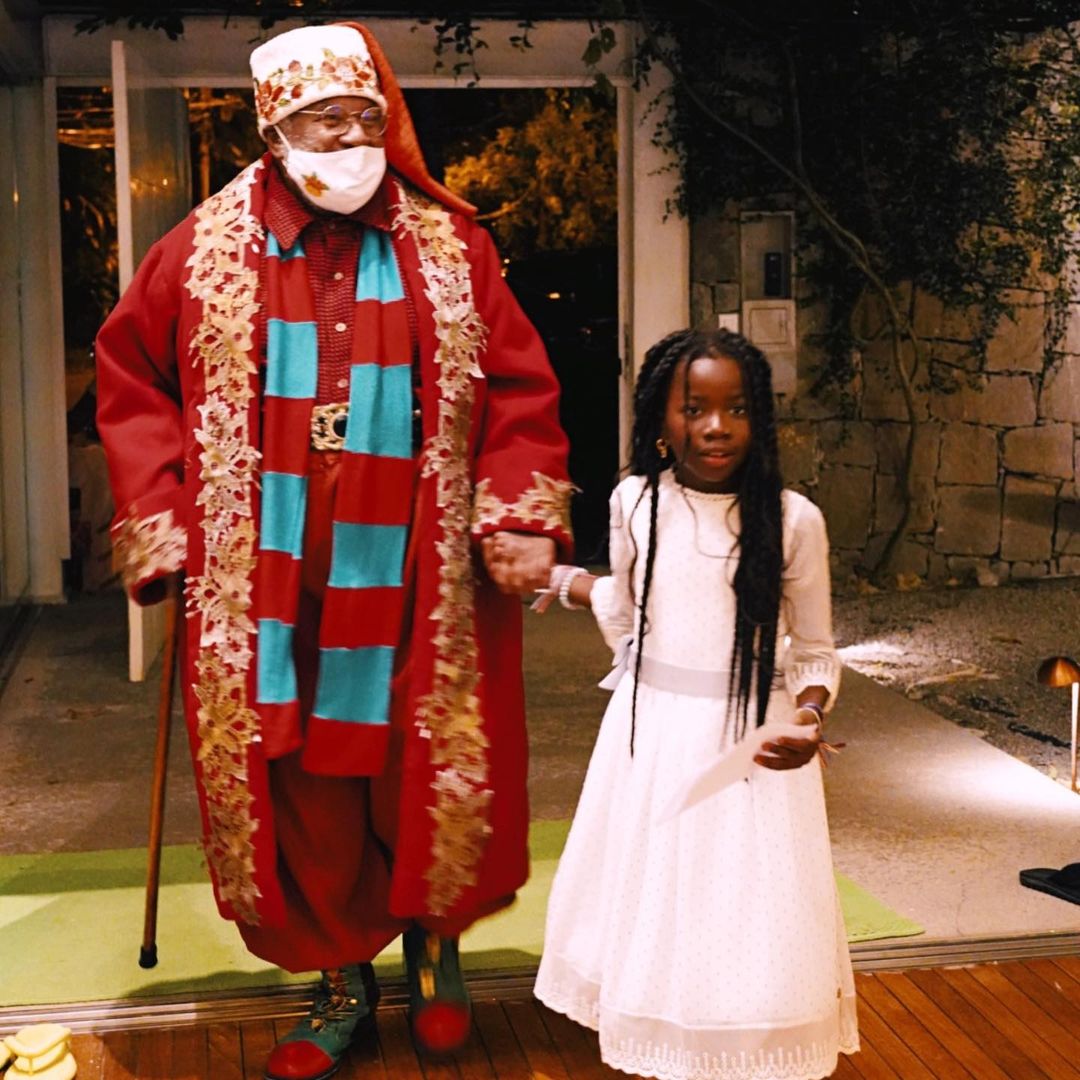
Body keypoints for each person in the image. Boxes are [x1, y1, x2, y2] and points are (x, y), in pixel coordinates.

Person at [95, 22, 573, 1080]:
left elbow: (520, 388)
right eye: (325, 121)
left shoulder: (452, 245)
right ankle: (341, 978)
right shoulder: (200, 249)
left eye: (366, 116)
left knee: (418, 755)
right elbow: (133, 382)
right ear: (274, 131)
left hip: (422, 562)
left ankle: (435, 952)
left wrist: (518, 514)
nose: (352, 139)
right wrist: (159, 518)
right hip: (265, 571)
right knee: (301, 770)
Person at [532, 328, 859, 1079]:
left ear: (761, 419)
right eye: (695, 408)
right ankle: (667, 1045)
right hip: (652, 734)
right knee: (658, 897)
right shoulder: (635, 503)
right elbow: (635, 616)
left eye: (737, 409)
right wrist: (577, 585)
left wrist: (809, 715)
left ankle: (747, 1046)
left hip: (752, 742)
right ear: (659, 419)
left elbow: (814, 650)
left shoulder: (795, 521)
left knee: (744, 901)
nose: (716, 426)